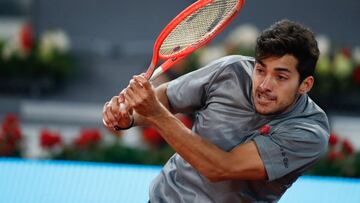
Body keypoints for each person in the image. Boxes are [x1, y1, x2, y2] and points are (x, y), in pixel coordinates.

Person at [102, 19, 330, 202]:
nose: (264, 85)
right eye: (260, 70)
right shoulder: (231, 71)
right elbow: (166, 98)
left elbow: (221, 168)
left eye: (280, 77)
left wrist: (156, 114)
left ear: (305, 84)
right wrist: (129, 116)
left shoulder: (309, 131)